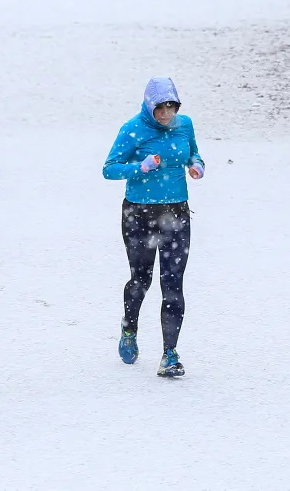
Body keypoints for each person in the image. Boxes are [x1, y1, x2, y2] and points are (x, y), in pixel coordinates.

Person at [102, 77, 205, 377]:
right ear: (149, 107)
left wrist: (196, 165)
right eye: (160, 108)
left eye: (171, 107)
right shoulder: (132, 129)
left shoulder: (184, 125)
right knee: (141, 280)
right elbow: (109, 168)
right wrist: (140, 167)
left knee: (173, 284)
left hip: (177, 213)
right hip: (140, 214)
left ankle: (169, 354)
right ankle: (129, 328)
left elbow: (194, 153)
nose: (166, 114)